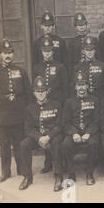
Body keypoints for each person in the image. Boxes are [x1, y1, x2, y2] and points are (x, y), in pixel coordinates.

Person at [0, 39, 32, 183]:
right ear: (0, 55)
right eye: (5, 53)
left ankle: (21, 168)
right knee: (4, 145)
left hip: (18, 113)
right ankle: (5, 172)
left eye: (10, 52)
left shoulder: (21, 71)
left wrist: (28, 112)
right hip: (3, 115)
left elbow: (28, 93)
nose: (8, 55)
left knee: (18, 143)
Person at [19, 76, 64, 191]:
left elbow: (60, 125)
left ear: (47, 91)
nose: (40, 94)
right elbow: (28, 129)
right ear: (33, 93)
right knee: (24, 145)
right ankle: (27, 176)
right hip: (37, 137)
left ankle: (58, 176)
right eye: (38, 91)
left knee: (57, 143)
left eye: (43, 91)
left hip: (52, 136)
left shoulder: (56, 105)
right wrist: (39, 138)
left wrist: (48, 136)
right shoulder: (29, 108)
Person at [32, 36, 69, 174]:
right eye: (44, 51)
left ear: (53, 51)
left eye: (49, 51)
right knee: (45, 130)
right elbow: (35, 88)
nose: (47, 53)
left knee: (58, 132)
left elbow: (66, 88)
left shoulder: (60, 67)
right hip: (44, 104)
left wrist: (64, 104)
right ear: (41, 52)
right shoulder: (37, 67)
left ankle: (61, 161)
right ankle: (48, 162)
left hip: (58, 104)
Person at [61, 70, 100, 185]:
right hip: (75, 132)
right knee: (65, 145)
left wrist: (88, 132)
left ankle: (89, 173)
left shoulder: (94, 100)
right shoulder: (69, 102)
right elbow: (65, 122)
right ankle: (71, 173)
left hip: (90, 132)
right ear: (75, 87)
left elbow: (97, 120)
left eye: (83, 85)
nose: (81, 88)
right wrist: (74, 133)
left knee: (93, 144)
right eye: (79, 85)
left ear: (87, 86)